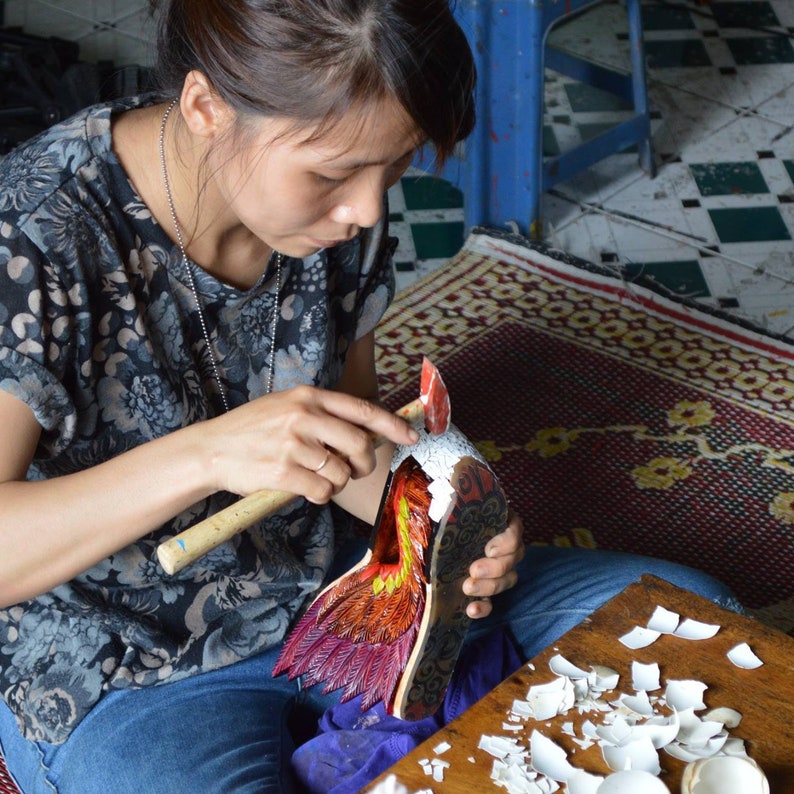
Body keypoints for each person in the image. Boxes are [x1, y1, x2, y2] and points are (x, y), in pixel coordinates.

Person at [0, 1, 739, 792]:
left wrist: (446, 516)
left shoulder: (335, 215)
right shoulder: (35, 235)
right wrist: (209, 452)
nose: (366, 210)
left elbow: (362, 445)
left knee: (695, 620)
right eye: (330, 175)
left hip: (336, 583)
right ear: (207, 107)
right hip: (126, 660)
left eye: (393, 169)